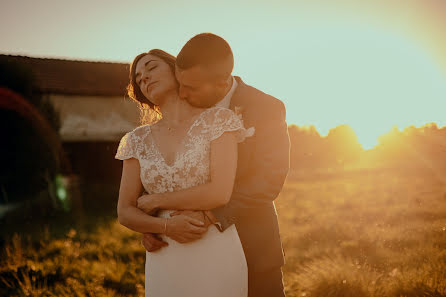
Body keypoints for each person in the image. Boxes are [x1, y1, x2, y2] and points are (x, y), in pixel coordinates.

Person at [141, 33, 290, 297]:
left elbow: (269, 180)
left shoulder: (266, 107)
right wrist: (154, 223)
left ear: (222, 83)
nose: (183, 93)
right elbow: (170, 167)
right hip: (191, 254)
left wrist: (211, 215)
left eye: (192, 88)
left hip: (252, 244)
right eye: (180, 83)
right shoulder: (183, 108)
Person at [115, 48, 251, 297]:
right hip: (164, 256)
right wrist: (166, 226)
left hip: (214, 246)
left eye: (151, 67)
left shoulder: (219, 120)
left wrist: (156, 200)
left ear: (176, 69)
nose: (144, 77)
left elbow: (219, 193)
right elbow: (124, 211)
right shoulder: (136, 140)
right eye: (139, 78)